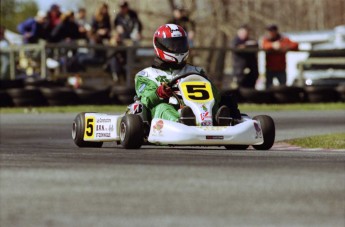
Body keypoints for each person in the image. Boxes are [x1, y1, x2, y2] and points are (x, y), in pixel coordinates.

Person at [134, 24, 241, 126]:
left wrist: (211, 92)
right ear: (159, 46)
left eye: (180, 45)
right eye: (172, 45)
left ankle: (221, 120)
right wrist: (159, 93)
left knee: (214, 104)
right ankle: (180, 122)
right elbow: (145, 99)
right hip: (164, 111)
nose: (177, 48)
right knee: (163, 107)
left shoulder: (196, 71)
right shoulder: (147, 75)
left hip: (197, 109)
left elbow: (215, 96)